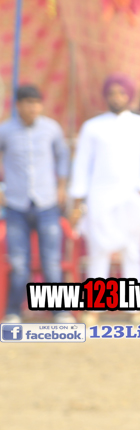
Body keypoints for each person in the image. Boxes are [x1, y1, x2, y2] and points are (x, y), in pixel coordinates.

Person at [69, 75, 140, 283]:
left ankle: (133, 301)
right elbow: (81, 166)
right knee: (98, 253)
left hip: (132, 199)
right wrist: (78, 200)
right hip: (99, 199)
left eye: (121, 93)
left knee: (132, 253)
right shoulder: (92, 127)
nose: (116, 98)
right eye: (112, 93)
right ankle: (95, 300)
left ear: (130, 95)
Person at [0, 85, 71, 324]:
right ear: (18, 105)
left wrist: (62, 187)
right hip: (16, 205)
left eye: (37, 103)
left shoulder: (51, 129)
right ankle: (13, 312)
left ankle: (60, 312)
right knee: (19, 263)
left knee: (51, 261)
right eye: (28, 103)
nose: (33, 108)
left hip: (46, 202)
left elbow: (63, 156)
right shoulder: (5, 131)